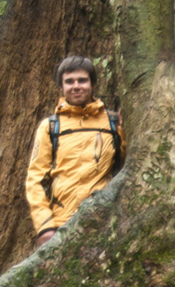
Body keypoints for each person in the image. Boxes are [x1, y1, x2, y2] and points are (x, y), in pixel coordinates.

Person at [25, 56, 125, 245]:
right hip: (63, 224)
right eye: (69, 82)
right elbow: (35, 180)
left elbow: (129, 164)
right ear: (61, 87)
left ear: (92, 83)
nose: (76, 86)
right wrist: (45, 226)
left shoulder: (112, 123)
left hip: (104, 220)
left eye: (82, 80)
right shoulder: (50, 127)